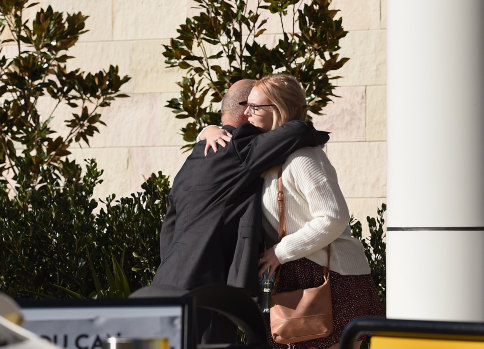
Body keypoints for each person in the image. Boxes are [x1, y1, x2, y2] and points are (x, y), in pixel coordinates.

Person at [200, 74, 383, 349]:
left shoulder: (305, 158)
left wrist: (279, 252)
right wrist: (208, 130)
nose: (246, 113)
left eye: (255, 107)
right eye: (246, 105)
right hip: (294, 277)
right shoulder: (269, 156)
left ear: (279, 109)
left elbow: (333, 217)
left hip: (330, 277)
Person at [148, 79, 330, 343]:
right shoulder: (239, 147)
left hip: (165, 285)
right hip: (206, 294)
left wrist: (205, 131)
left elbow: (170, 226)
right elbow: (299, 131)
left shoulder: (194, 159)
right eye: (256, 106)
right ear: (246, 109)